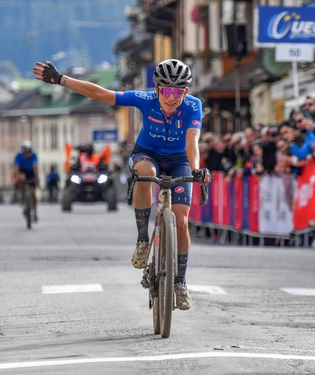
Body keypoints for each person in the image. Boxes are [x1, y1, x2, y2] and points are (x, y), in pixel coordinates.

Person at [33, 58, 210, 310]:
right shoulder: (145, 100)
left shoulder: (193, 106)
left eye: (177, 92)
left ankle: (180, 282)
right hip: (147, 153)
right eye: (166, 91)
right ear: (157, 89)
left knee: (181, 221)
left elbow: (193, 141)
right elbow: (100, 93)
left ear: (186, 92)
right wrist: (62, 80)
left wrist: (196, 169)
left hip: (180, 158)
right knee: (145, 173)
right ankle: (142, 240)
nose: (171, 98)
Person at [13, 140, 40, 221]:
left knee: (33, 193)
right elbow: (16, 168)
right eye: (26, 152)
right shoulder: (18, 156)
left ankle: (34, 211)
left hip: (30, 173)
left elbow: (35, 167)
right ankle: (22, 196)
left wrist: (36, 177)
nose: (28, 153)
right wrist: (18, 177)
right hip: (22, 172)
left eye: (29, 151)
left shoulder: (34, 155)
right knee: (20, 182)